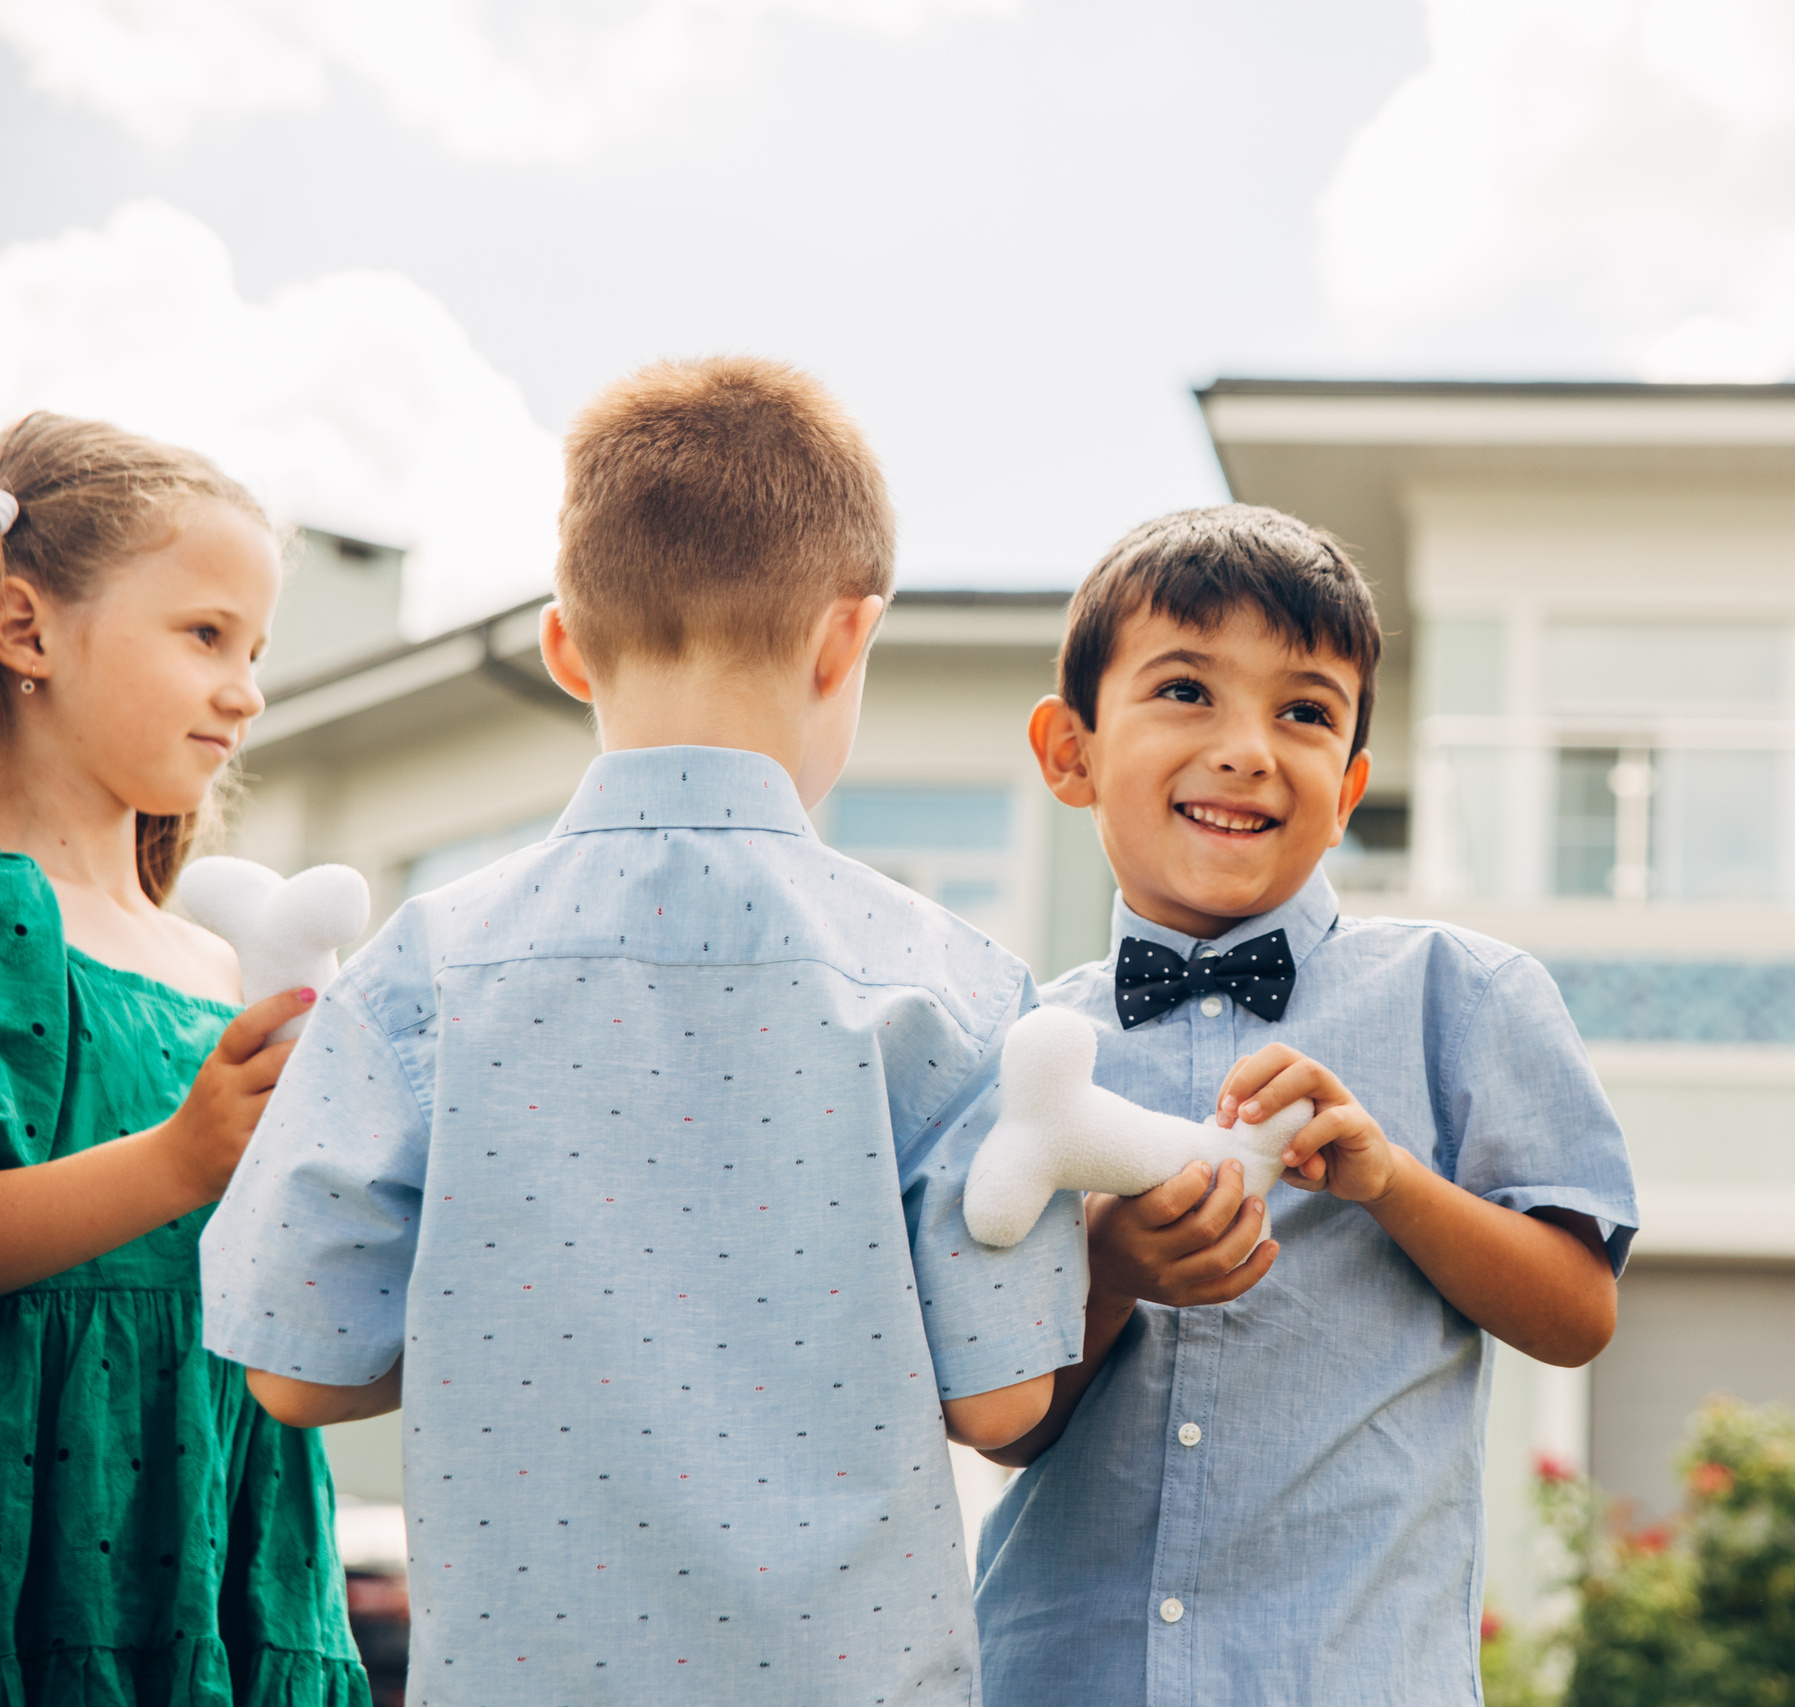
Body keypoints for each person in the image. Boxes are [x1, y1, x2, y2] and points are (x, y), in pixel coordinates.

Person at [199, 357, 1087, 1703]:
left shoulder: (422, 976)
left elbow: (294, 1370)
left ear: (565, 646)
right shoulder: (949, 988)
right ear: (847, 640)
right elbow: (1002, 1403)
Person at [970, 505, 1638, 1706]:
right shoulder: (1022, 1051)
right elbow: (1005, 1425)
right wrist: (1106, 1273)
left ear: (1349, 791)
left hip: (1347, 1671)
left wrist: (1392, 1182)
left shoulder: (1463, 996)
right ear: (1070, 752)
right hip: (1062, 1673)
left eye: (1306, 713)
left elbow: (1576, 1315)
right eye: (1186, 691)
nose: (1247, 749)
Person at [0, 412, 367, 1703]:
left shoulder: (219, 964)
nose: (246, 690)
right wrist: (179, 1159)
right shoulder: (11, 918)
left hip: (230, 1528)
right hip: (50, 1529)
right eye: (205, 634)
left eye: (255, 651)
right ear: (25, 627)